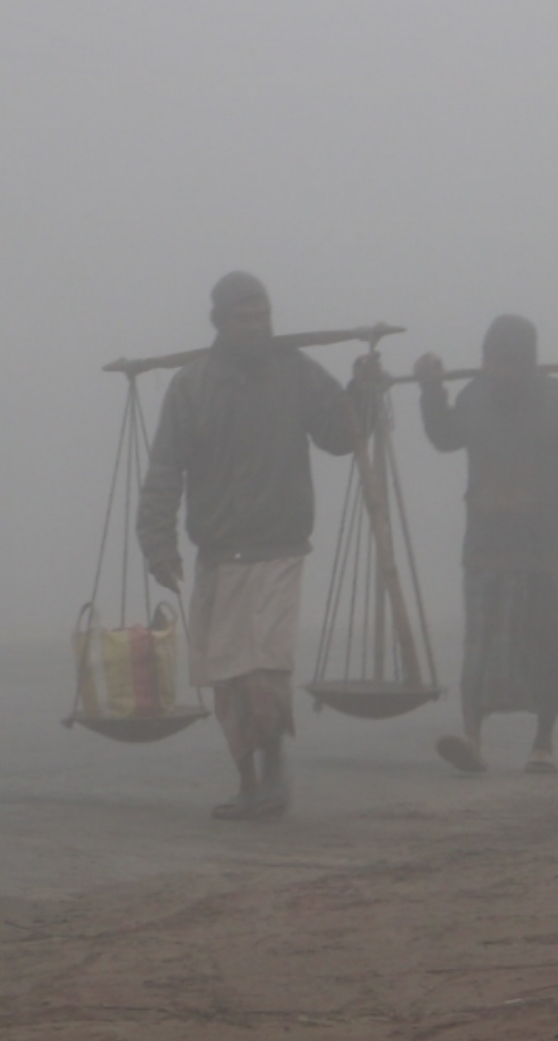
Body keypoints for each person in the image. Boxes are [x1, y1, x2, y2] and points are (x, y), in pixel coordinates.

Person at [138, 271, 368, 821]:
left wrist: (363, 391)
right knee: (229, 678)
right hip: (219, 551)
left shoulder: (296, 374)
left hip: (279, 547)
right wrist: (157, 543)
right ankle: (248, 783)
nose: (257, 328)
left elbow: (340, 436)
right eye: (244, 319)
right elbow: (166, 468)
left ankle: (274, 771)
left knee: (264, 670)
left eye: (263, 317)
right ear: (219, 323)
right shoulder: (193, 386)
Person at [416, 315, 558, 775]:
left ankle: (543, 742)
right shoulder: (476, 395)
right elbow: (444, 437)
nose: (500, 370)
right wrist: (431, 391)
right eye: (493, 360)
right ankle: (472, 737)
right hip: (488, 545)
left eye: (511, 361)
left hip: (547, 546)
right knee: (482, 649)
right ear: (485, 360)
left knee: (548, 644)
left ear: (530, 362)